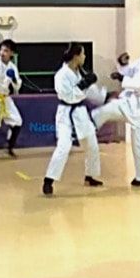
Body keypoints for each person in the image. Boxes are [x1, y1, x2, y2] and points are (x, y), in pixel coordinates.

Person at [91, 37, 140, 187]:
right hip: (128, 102)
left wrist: (122, 78)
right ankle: (88, 128)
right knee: (105, 110)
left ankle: (139, 178)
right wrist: (122, 63)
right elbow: (129, 71)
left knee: (139, 145)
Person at [42, 42, 106, 196]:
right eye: (83, 54)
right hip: (66, 113)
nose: (84, 57)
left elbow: (92, 94)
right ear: (76, 56)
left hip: (81, 113)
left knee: (92, 145)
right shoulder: (61, 75)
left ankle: (90, 176)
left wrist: (103, 95)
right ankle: (49, 180)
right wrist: (83, 85)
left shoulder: (80, 72)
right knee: (63, 146)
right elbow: (68, 96)